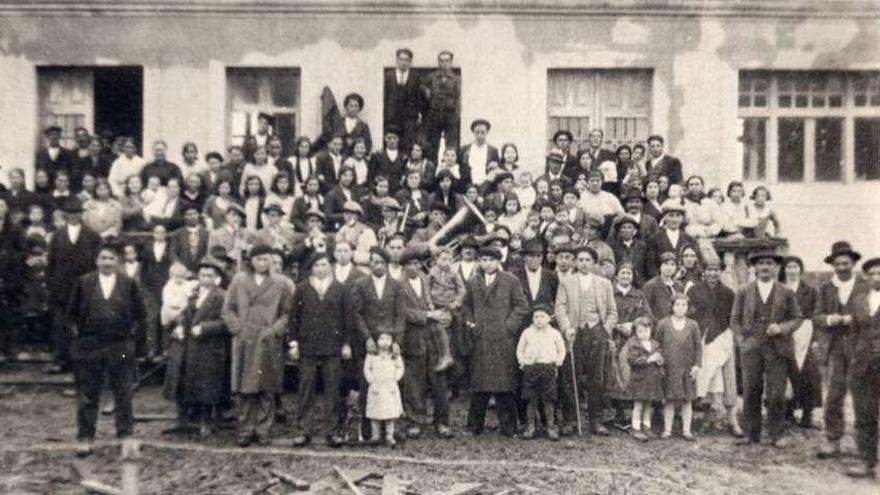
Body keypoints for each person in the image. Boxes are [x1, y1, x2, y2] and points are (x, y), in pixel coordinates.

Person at [66, 242, 147, 457]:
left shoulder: (128, 283)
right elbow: (71, 315)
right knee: (88, 393)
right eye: (103, 258)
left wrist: (132, 342)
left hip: (119, 346)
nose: (107, 262)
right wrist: (79, 342)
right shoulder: (84, 283)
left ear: (117, 261)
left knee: (123, 392)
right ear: (96, 261)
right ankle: (85, 437)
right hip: (90, 345)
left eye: (111, 258)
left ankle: (125, 436)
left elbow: (140, 314)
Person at [223, 244, 292, 447]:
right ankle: (245, 429)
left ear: (272, 261)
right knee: (245, 389)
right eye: (258, 259)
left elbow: (287, 313)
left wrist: (275, 330)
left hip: (268, 340)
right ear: (251, 261)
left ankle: (262, 429)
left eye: (266, 259)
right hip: (245, 340)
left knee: (266, 388)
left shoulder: (280, 284)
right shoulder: (239, 281)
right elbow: (228, 309)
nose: (262, 263)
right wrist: (238, 329)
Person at [732, 251, 803, 448]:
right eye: (761, 263)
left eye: (769, 263)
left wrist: (781, 328)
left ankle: (776, 434)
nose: (765, 267)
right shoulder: (744, 291)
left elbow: (798, 318)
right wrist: (741, 341)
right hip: (751, 348)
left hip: (777, 348)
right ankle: (750, 433)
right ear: (754, 267)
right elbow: (735, 319)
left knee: (776, 394)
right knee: (751, 391)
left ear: (776, 267)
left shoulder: (786, 291)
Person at [463, 246, 529, 437]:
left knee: (504, 384)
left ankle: (508, 426)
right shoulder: (473, 282)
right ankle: (474, 426)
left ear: (498, 261)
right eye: (483, 259)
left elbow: (521, 306)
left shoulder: (511, 281)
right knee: (479, 384)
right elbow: (466, 306)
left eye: (491, 260)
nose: (487, 263)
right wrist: (471, 323)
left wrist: (509, 327)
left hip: (503, 340)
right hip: (481, 338)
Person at [554, 245, 618, 436]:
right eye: (580, 260)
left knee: (596, 379)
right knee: (570, 377)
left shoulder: (604, 283)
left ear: (594, 263)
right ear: (575, 262)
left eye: (587, 260)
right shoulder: (566, 282)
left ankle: (595, 420)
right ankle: (570, 420)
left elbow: (613, 312)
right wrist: (566, 328)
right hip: (574, 334)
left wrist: (605, 329)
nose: (583, 263)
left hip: (597, 333)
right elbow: (560, 308)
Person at [162, 257, 229, 437]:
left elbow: (227, 323)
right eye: (202, 275)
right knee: (184, 379)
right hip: (190, 346)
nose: (205, 278)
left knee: (207, 384)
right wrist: (179, 327)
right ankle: (183, 419)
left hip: (209, 346)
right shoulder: (194, 293)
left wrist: (205, 328)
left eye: (209, 275)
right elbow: (186, 315)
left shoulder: (221, 296)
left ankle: (206, 421)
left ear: (216, 278)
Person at [814, 241, 869, 459]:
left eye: (846, 263)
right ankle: (832, 438)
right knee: (834, 394)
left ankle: (866, 443)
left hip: (861, 348)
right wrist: (830, 318)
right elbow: (816, 316)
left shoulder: (866, 286)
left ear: (853, 263)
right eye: (838, 264)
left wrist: (853, 318)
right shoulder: (826, 289)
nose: (842, 268)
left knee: (863, 396)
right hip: (836, 347)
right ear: (833, 265)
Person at [288, 253, 349, 448]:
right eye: (317, 265)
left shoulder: (340, 289)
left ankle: (332, 432)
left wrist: (346, 344)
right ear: (311, 268)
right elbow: (293, 319)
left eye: (324, 264)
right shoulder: (302, 289)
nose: (321, 269)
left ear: (330, 266)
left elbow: (346, 319)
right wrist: (294, 343)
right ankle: (304, 430)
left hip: (333, 347)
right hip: (308, 347)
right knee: (306, 388)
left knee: (332, 389)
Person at [349, 247, 407, 440]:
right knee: (369, 386)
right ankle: (368, 432)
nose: (378, 266)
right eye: (374, 262)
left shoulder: (397, 286)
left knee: (392, 387)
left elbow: (400, 315)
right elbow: (356, 314)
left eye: (382, 262)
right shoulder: (360, 284)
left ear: (387, 264)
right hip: (369, 344)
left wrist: (397, 341)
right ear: (370, 263)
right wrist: (367, 338)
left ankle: (391, 429)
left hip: (389, 344)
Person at [45, 197, 102, 374]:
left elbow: (96, 264)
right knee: (61, 324)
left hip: (84, 288)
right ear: (65, 215)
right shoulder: (57, 235)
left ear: (81, 215)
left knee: (84, 325)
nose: (73, 216)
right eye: (70, 213)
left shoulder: (92, 236)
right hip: (61, 288)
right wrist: (51, 285)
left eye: (76, 213)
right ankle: (61, 361)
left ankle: (83, 362)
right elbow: (51, 263)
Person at [689, 258, 742, 437]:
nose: (712, 273)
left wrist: (727, 334)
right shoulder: (694, 291)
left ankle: (732, 419)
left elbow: (734, 317)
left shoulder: (728, 293)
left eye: (716, 270)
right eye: (709, 270)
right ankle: (707, 417)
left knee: (728, 378)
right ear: (704, 272)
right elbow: (691, 314)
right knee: (706, 378)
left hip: (723, 336)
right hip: (702, 338)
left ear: (720, 271)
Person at [846, 256, 880, 478]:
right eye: (872, 274)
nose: (876, 277)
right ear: (866, 277)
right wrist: (855, 357)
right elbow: (854, 333)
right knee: (864, 414)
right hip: (863, 366)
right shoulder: (859, 300)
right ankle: (867, 462)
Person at [779, 256, 821, 429]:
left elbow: (816, 316)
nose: (792, 270)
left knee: (808, 375)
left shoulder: (810, 291)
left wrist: (815, 339)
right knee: (786, 374)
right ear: (784, 270)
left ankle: (807, 415)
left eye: (796, 267)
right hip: (784, 335)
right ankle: (787, 413)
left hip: (805, 334)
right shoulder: (778, 289)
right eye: (789, 267)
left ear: (800, 270)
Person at [516, 304, 566, 440]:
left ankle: (550, 427)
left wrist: (558, 362)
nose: (539, 319)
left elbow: (561, 350)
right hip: (531, 369)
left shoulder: (554, 333)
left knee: (548, 400)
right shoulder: (527, 332)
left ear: (549, 318)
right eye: (536, 317)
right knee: (531, 400)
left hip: (548, 369)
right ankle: (530, 427)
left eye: (542, 316)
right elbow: (520, 349)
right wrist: (522, 361)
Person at [656, 294, 702, 441]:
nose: (680, 308)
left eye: (684, 305)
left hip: (687, 367)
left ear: (688, 308)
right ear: (672, 306)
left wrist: (696, 365)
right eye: (677, 305)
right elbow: (657, 344)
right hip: (669, 367)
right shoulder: (663, 324)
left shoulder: (693, 325)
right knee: (669, 399)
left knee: (687, 400)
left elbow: (698, 347)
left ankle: (686, 430)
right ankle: (667, 429)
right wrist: (659, 362)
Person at [426, 246, 465, 371]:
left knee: (441, 326)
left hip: (449, 306)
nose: (446, 262)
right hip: (436, 304)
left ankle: (447, 356)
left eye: (449, 259)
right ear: (437, 259)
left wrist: (456, 302)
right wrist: (430, 303)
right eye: (443, 259)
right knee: (437, 328)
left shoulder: (454, 273)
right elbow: (427, 288)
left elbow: (462, 289)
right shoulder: (433, 272)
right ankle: (444, 355)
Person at [364, 332, 405, 448]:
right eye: (381, 338)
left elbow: (400, 367)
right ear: (376, 340)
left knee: (390, 412)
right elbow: (367, 368)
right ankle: (375, 436)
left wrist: (395, 378)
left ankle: (389, 436)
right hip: (376, 387)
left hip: (389, 387)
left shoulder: (394, 355)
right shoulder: (371, 355)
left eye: (388, 339)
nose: (385, 341)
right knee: (375, 412)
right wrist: (371, 381)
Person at [627, 317, 664, 441]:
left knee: (648, 403)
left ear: (651, 330)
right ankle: (636, 428)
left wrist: (659, 360)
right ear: (635, 332)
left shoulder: (655, 344)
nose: (644, 334)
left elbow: (660, 359)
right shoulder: (633, 344)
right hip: (640, 379)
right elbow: (632, 361)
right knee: (638, 404)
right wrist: (649, 359)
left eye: (646, 331)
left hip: (652, 379)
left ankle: (646, 426)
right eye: (640, 331)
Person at [0, 197, 25, 363]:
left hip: (9, 278)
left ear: (7, 209)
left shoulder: (15, 229)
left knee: (8, 314)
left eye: (1, 205)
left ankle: (9, 350)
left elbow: (22, 253)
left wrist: (7, 258)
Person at [421, 50, 461, 155]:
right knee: (433, 144)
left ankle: (450, 167)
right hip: (435, 113)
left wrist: (457, 115)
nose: (444, 64)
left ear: (451, 62)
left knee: (451, 144)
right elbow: (420, 84)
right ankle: (432, 167)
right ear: (438, 62)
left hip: (450, 114)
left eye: (447, 61)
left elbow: (459, 98)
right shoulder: (432, 77)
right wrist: (426, 90)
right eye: (442, 61)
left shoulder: (456, 79)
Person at [384, 48, 423, 153]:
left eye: (406, 60)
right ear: (397, 60)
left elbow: (419, 97)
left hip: (409, 117)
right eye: (401, 59)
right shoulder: (388, 76)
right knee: (392, 141)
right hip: (392, 116)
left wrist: (418, 113)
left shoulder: (415, 77)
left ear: (410, 62)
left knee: (407, 142)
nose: (403, 62)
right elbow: (385, 96)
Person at [609, 215, 653, 287]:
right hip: (619, 282)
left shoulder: (643, 246)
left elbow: (648, 266)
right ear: (620, 230)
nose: (627, 230)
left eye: (630, 227)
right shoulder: (613, 246)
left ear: (635, 231)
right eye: (624, 227)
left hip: (639, 283)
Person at [649, 203, 697, 268]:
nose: (675, 219)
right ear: (664, 218)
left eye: (678, 216)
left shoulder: (689, 239)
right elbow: (650, 265)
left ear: (682, 219)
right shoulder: (654, 238)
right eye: (671, 215)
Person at [642, 251, 684, 320]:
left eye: (672, 264)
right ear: (660, 266)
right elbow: (646, 311)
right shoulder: (650, 285)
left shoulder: (679, 285)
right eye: (666, 264)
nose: (669, 267)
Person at [170, 204, 210, 273]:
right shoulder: (177, 234)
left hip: (202, 271)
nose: (192, 217)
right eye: (188, 214)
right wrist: (179, 268)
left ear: (198, 215)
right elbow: (173, 253)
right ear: (184, 216)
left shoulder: (206, 234)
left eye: (194, 213)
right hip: (182, 272)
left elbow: (208, 253)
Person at [460, 119, 499, 187]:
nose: (479, 135)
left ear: (487, 132)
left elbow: (497, 169)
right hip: (468, 187)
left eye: (482, 132)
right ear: (473, 133)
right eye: (477, 132)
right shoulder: (464, 149)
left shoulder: (493, 151)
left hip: (486, 187)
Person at [368, 127, 406, 193]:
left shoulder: (403, 157)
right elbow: (370, 177)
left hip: (397, 192)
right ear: (385, 139)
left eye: (394, 138)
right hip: (381, 192)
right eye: (389, 138)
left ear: (398, 139)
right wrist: (375, 189)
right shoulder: (377, 156)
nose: (392, 141)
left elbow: (404, 175)